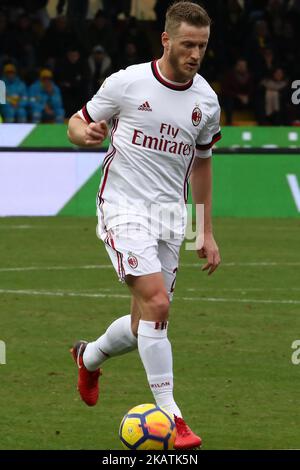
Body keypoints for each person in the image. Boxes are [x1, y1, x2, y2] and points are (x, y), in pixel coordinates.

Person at [68, 1, 221, 450]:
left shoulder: (206, 101)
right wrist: (84, 135)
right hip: (122, 208)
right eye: (188, 44)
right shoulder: (127, 83)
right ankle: (174, 419)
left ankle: (89, 356)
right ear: (167, 40)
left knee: (144, 326)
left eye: (203, 46)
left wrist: (206, 230)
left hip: (170, 218)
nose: (195, 54)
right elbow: (77, 123)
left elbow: (204, 164)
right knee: (157, 305)